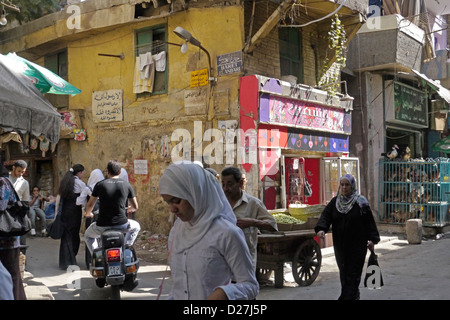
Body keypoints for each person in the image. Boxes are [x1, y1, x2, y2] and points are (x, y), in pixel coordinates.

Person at [159, 161, 259, 300]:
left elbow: (250, 285)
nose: (172, 209)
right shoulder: (177, 231)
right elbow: (180, 287)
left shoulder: (226, 233)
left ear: (195, 193)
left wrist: (224, 293)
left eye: (176, 201)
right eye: (168, 202)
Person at [315, 174, 380, 300]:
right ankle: (353, 295)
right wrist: (321, 229)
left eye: (347, 185)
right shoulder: (335, 202)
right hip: (340, 246)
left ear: (352, 186)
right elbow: (326, 216)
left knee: (353, 273)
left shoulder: (361, 203)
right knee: (344, 272)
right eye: (342, 184)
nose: (344, 187)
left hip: (357, 246)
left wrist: (372, 239)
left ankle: (346, 297)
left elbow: (369, 222)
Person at [221, 166, 277, 271]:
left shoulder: (253, 203)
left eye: (230, 184)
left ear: (241, 183)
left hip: (245, 263)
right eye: (223, 184)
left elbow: (273, 225)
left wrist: (252, 222)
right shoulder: (219, 204)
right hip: (222, 264)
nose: (225, 189)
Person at [84, 160, 140, 256]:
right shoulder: (127, 185)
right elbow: (135, 206)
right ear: (120, 172)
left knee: (87, 236)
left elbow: (90, 205)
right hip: (122, 225)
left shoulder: (99, 185)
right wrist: (130, 209)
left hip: (102, 225)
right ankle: (126, 248)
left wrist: (88, 213)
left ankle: (97, 256)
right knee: (136, 227)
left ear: (107, 171)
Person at [0, 161, 26, 299]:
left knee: (11, 277)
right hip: (7, 240)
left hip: (6, 240)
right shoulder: (5, 182)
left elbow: (1, 206)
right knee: (13, 277)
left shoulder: (2, 183)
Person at [55, 164, 86, 270]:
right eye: (83, 172)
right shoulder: (80, 183)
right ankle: (71, 260)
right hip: (74, 213)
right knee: (73, 235)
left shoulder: (65, 182)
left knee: (66, 236)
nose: (84, 174)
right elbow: (85, 195)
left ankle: (65, 261)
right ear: (79, 172)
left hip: (65, 212)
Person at [9, 160, 31, 253]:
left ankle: (22, 265)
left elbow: (26, 200)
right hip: (5, 213)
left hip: (18, 214)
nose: (21, 174)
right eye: (19, 171)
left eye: (23, 172)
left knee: (20, 242)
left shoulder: (25, 183)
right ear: (13, 167)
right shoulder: (4, 178)